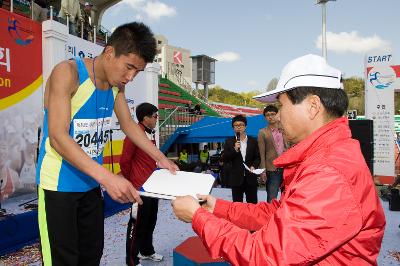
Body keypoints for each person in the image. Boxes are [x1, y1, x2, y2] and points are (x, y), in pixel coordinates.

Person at [172, 54, 386, 265]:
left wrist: (199, 218)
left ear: (313, 106)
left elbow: (265, 256)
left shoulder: (328, 171)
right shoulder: (326, 157)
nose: (278, 115)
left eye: (282, 105)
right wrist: (218, 208)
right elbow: (280, 214)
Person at [36, 22, 178, 266]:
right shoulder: (67, 73)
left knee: (92, 256)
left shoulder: (117, 86)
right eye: (129, 67)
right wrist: (109, 178)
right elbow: (58, 137)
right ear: (110, 52)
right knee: (63, 261)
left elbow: (129, 125)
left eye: (138, 72)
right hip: (58, 186)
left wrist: (160, 157)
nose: (131, 77)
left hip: (91, 185)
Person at [120, 103, 163, 266]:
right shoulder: (134, 134)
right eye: (155, 116)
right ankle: (131, 260)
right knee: (137, 225)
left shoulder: (150, 135)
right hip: (140, 189)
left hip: (153, 187)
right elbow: (125, 161)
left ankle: (146, 251)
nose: (157, 119)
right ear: (145, 118)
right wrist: (132, 183)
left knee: (150, 221)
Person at [222, 115, 260, 203]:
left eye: (241, 125)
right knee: (237, 205)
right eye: (236, 125)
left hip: (250, 178)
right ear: (233, 127)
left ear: (245, 126)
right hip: (236, 178)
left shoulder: (253, 141)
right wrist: (234, 150)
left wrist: (254, 166)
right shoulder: (229, 141)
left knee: (252, 204)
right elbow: (225, 158)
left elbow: (257, 157)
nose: (239, 127)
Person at [258, 105, 288, 202]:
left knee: (287, 197)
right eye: (267, 115)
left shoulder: (286, 129)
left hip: (287, 167)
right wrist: (263, 171)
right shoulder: (262, 132)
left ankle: (285, 217)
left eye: (272, 114)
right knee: (271, 199)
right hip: (272, 169)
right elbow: (261, 153)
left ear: (277, 114)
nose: (270, 117)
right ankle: (270, 217)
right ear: (265, 118)